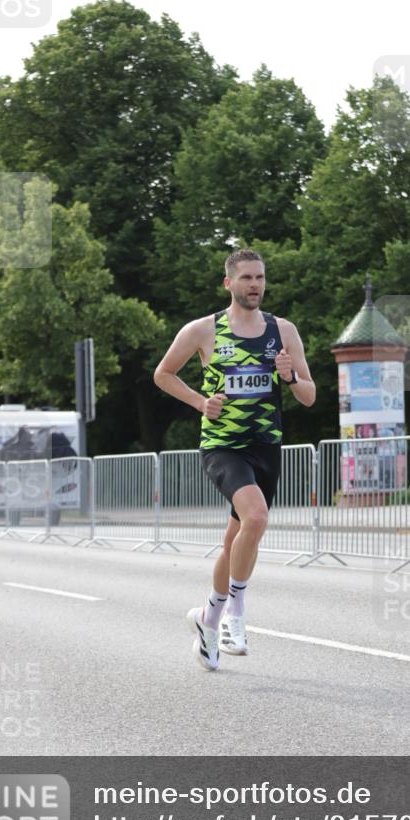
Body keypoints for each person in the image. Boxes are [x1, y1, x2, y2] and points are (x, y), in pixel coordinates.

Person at [154, 249, 316, 671]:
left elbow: (309, 396)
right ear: (229, 283)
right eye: (246, 278)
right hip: (223, 446)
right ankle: (235, 615)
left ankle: (208, 618)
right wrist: (200, 402)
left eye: (260, 277)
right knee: (256, 518)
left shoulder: (283, 331)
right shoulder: (203, 330)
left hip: (266, 446)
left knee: (236, 540)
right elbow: (163, 374)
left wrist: (289, 376)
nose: (255, 285)